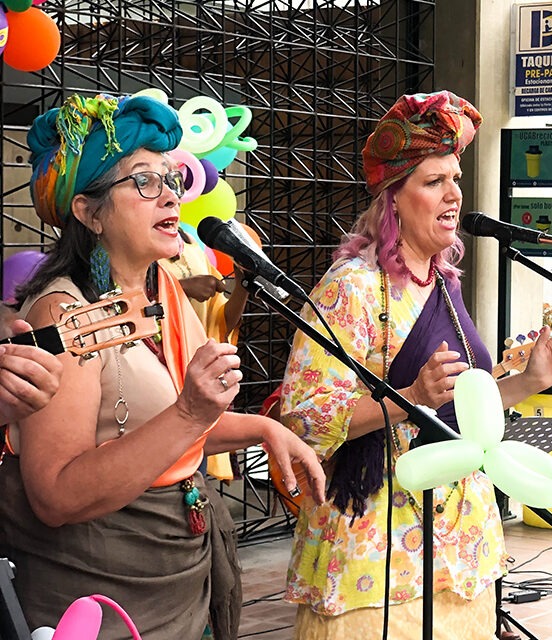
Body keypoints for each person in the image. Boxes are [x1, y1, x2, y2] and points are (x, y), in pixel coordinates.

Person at [0, 93, 325, 640]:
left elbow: (174, 428)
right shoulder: (63, 312)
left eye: (171, 178)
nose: (169, 195)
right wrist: (192, 413)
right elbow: (55, 495)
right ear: (88, 211)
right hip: (99, 591)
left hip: (178, 576)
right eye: (144, 181)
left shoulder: (164, 290)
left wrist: (265, 429)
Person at [280, 90, 552, 639]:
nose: (453, 194)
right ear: (392, 199)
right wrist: (409, 399)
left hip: (461, 548)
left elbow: (464, 410)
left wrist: (531, 380)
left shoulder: (443, 284)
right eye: (433, 181)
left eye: (455, 179)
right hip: (377, 554)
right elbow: (303, 420)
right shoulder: (349, 288)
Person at [161, 229, 251, 481]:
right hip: (158, 380)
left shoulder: (192, 246)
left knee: (192, 474)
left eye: (175, 187)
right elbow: (126, 298)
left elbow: (221, 323)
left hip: (194, 384)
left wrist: (243, 286)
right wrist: (183, 288)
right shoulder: (140, 248)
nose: (171, 195)